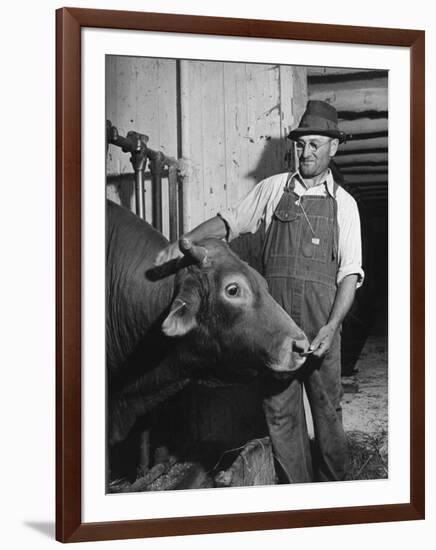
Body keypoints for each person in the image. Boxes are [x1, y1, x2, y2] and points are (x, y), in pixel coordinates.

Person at [155, 100, 364, 483]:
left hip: (321, 328)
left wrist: (333, 326)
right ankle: (296, 498)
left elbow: (349, 275)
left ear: (333, 147)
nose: (306, 152)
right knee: (281, 415)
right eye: (301, 144)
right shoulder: (272, 190)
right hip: (275, 327)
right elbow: (229, 223)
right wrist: (184, 241)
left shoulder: (345, 207)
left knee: (327, 413)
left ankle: (336, 497)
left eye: (316, 144)